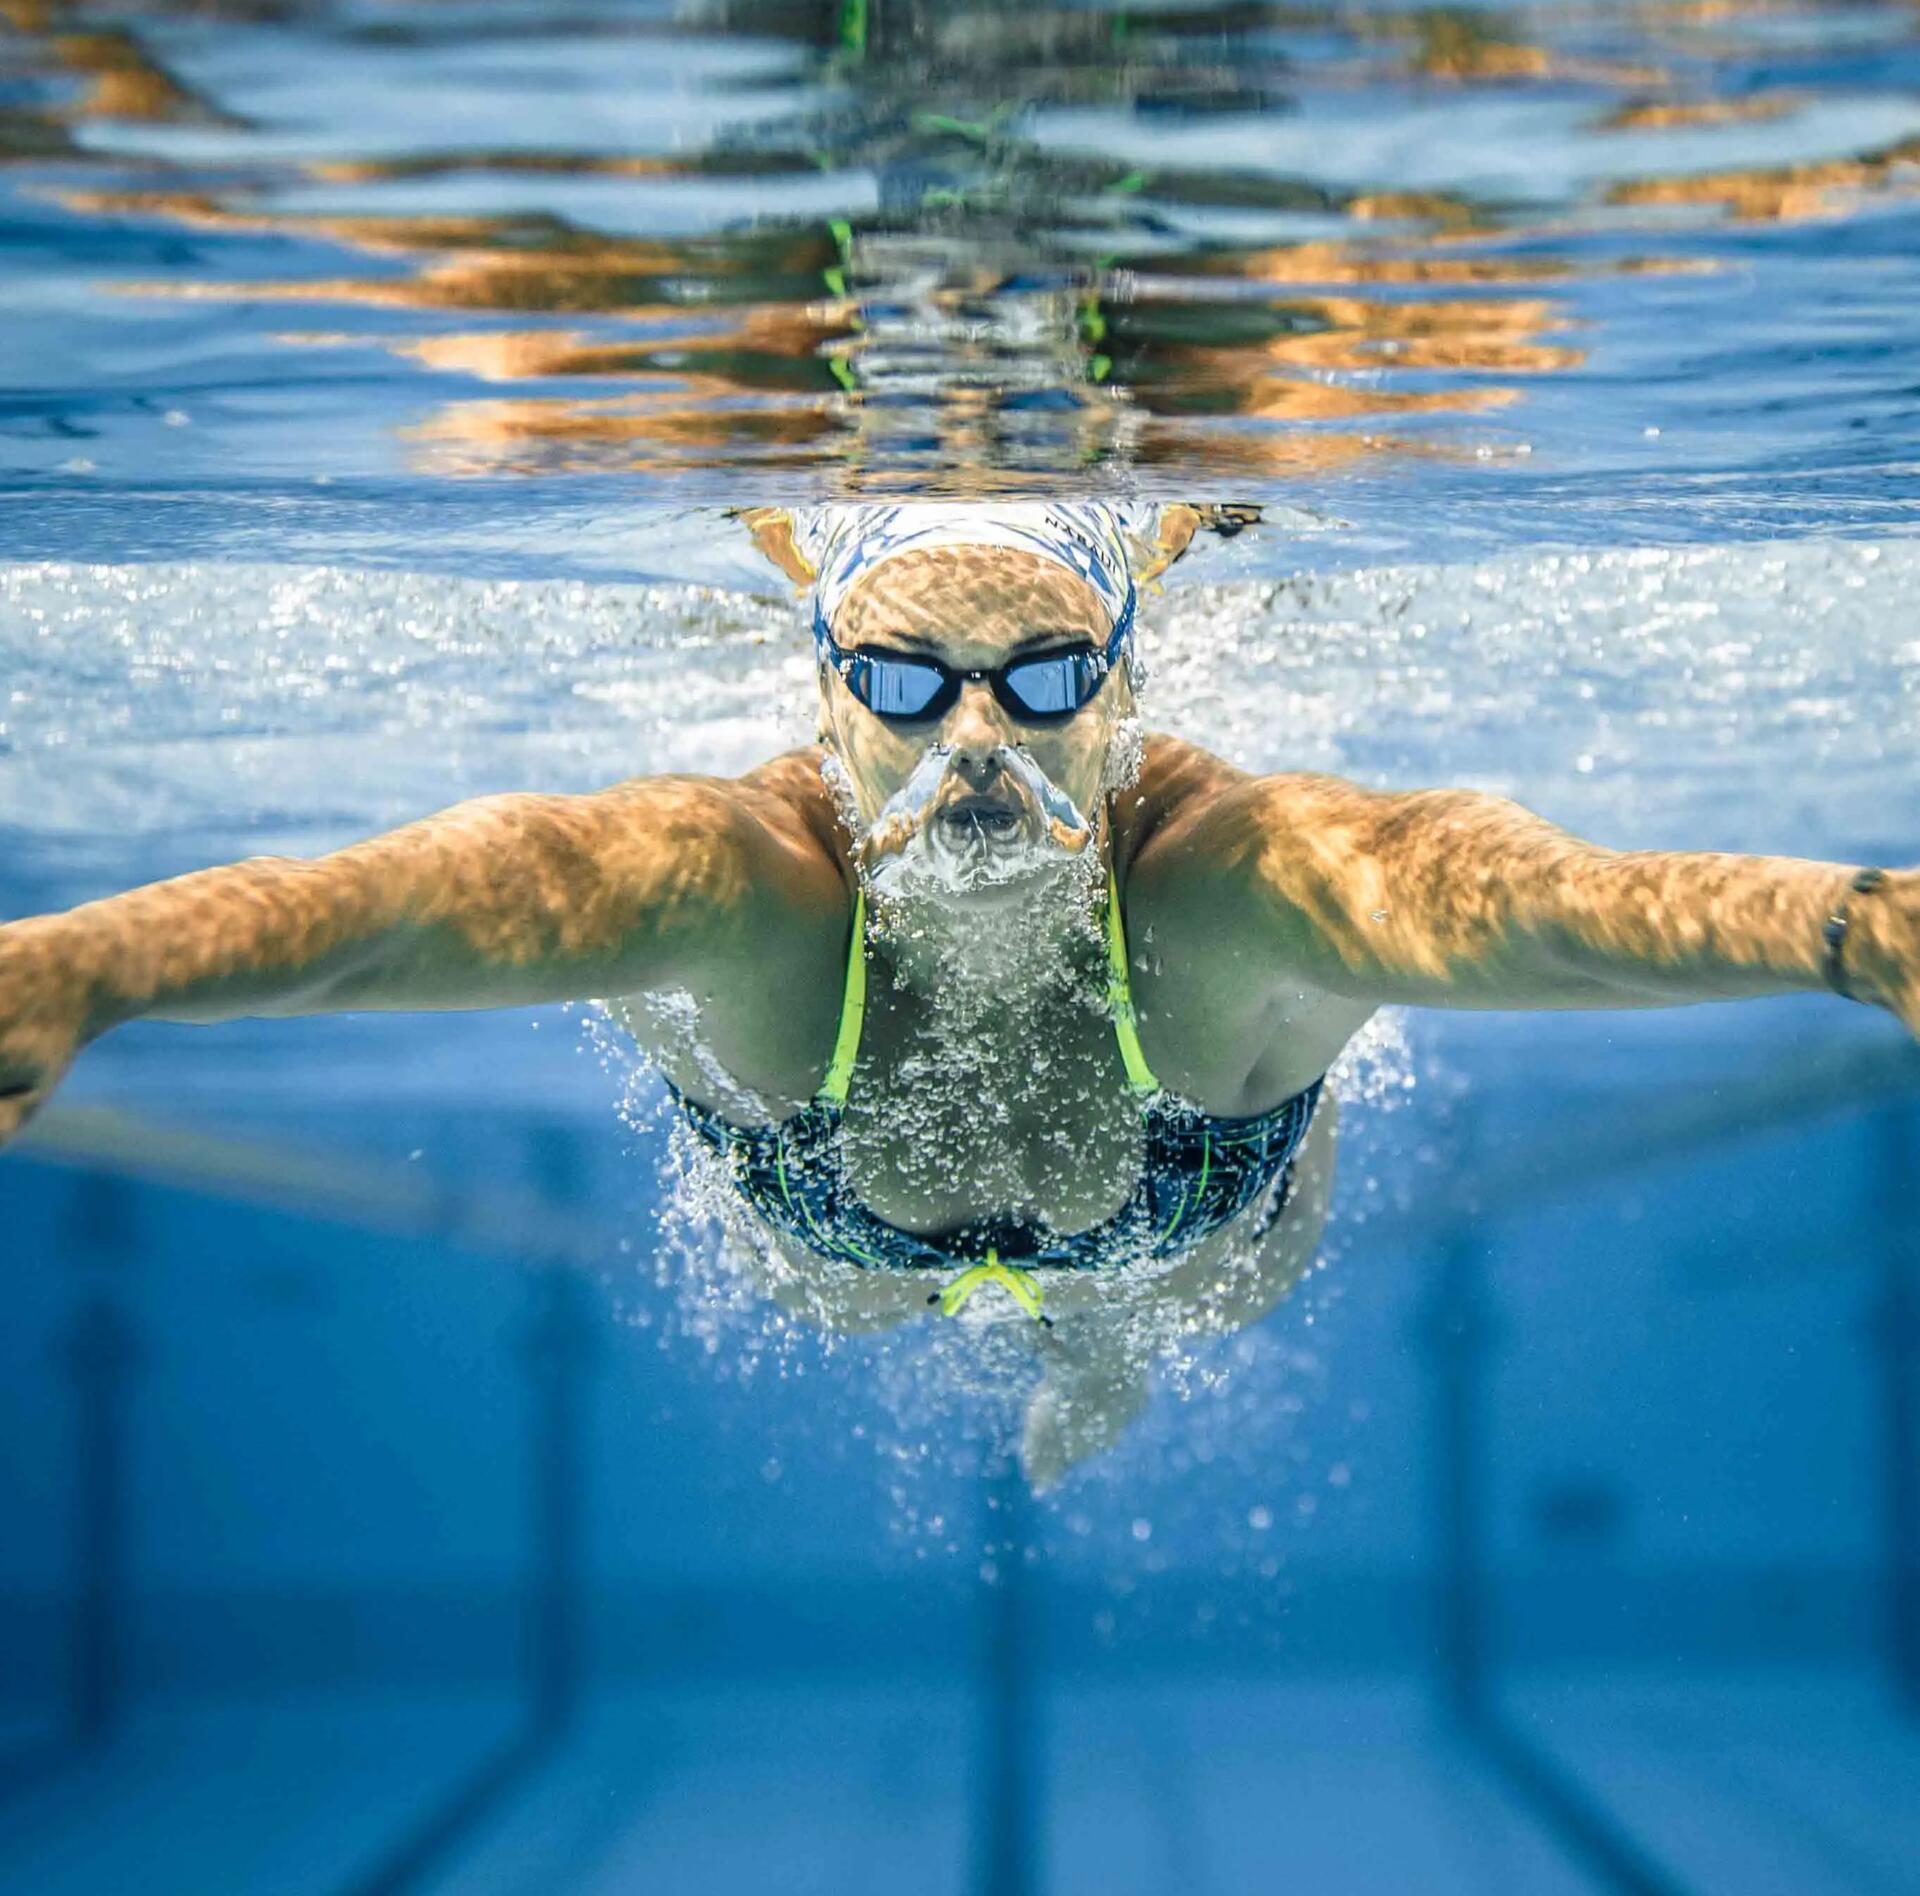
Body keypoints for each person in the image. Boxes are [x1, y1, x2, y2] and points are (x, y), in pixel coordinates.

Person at [2, 501, 1915, 1482]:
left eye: (1052, 679)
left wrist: (1851, 930)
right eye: (912, 686)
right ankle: (1061, 1341)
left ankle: (1100, 1358)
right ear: (824, 682)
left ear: (1133, 686)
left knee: (1163, 1309)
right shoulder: (736, 873)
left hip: (1193, 1205)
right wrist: (87, 968)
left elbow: (1523, 908)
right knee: (862, 1298)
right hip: (832, 1206)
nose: (980, 742)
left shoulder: (1224, 871)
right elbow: (431, 900)